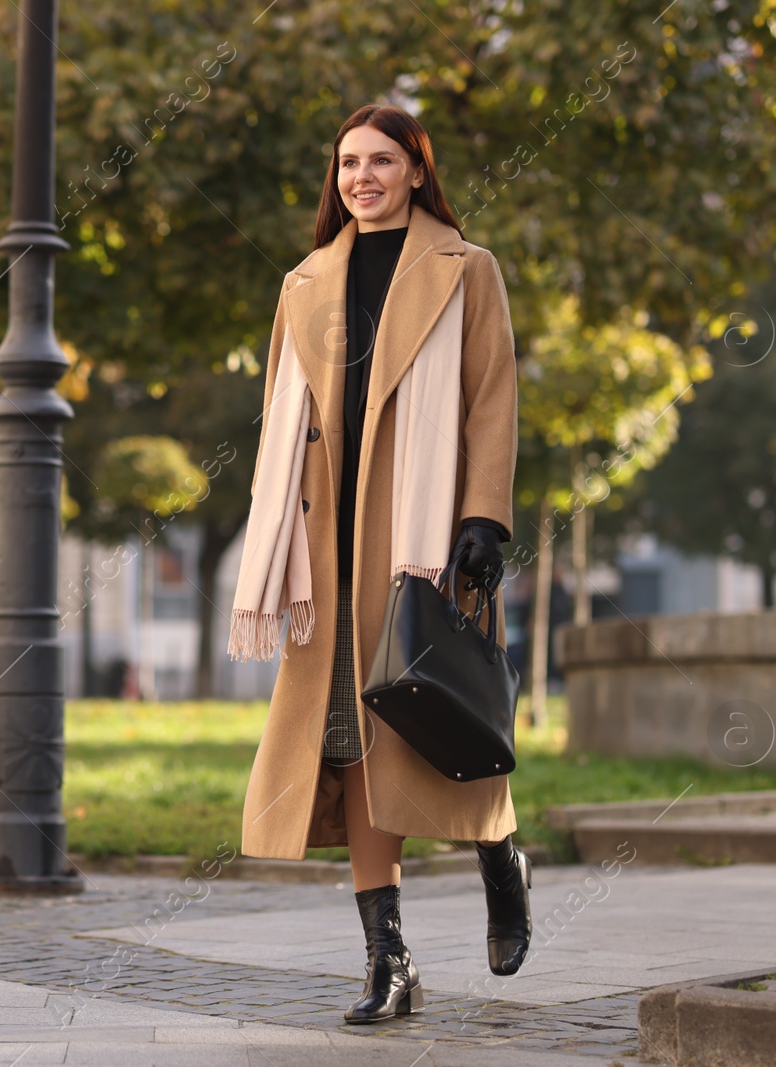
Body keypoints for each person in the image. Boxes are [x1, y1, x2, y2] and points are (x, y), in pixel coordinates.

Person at [228, 104, 530, 1023]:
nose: (361, 176)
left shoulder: (465, 268)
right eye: (348, 162)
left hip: (426, 538)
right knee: (353, 749)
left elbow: (491, 397)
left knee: (446, 719)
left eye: (381, 161)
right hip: (330, 545)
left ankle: (500, 856)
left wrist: (484, 518)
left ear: (415, 171)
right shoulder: (304, 282)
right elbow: (284, 419)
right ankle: (389, 961)